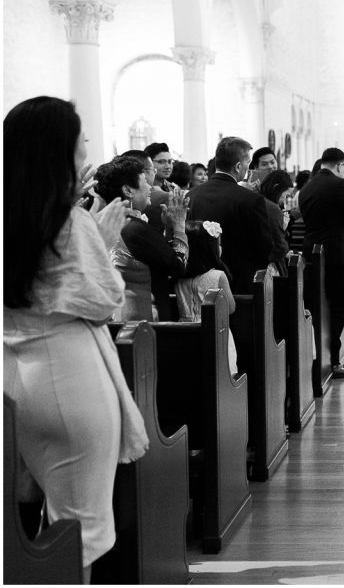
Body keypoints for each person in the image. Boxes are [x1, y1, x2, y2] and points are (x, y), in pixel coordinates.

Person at [4, 96, 148, 580]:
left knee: (44, 520)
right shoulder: (68, 220)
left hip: (18, 375)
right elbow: (105, 299)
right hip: (71, 376)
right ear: (60, 149)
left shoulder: (12, 215)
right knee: (79, 533)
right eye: (80, 136)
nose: (87, 144)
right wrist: (100, 238)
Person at [298, 148, 344, 378]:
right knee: (340, 307)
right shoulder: (339, 186)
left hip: (312, 253)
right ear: (340, 166)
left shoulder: (308, 186)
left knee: (318, 307)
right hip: (336, 256)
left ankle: (322, 358)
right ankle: (334, 360)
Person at [96, 157, 190, 321]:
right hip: (141, 317)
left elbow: (155, 257)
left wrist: (168, 228)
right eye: (145, 182)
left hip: (116, 314)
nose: (149, 187)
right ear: (128, 191)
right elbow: (177, 266)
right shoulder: (134, 228)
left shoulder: (105, 222)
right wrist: (179, 226)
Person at [187, 136, 275, 295]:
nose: (248, 168)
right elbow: (264, 247)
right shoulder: (251, 199)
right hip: (240, 283)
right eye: (248, 163)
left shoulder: (192, 195)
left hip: (199, 283)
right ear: (238, 166)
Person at [175, 220, 238, 373]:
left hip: (183, 330)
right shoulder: (218, 276)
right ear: (211, 249)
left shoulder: (178, 277)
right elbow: (230, 308)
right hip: (215, 331)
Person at [257, 169, 294, 277]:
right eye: (286, 195)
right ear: (276, 188)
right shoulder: (272, 208)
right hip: (268, 265)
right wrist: (283, 227)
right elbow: (279, 246)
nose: (285, 200)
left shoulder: (258, 200)